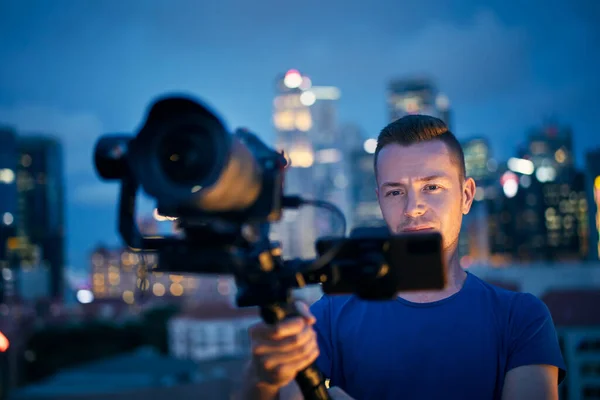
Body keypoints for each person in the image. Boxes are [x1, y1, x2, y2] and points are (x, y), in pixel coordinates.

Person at [237, 115, 566, 400]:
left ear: (466, 195)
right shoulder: (329, 316)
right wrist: (262, 377)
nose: (412, 208)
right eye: (395, 192)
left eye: (432, 187)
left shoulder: (522, 318)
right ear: (380, 200)